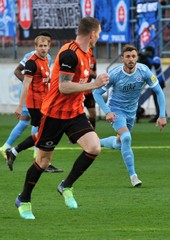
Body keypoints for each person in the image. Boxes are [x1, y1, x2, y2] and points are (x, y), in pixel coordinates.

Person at [14, 17, 109, 220]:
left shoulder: (88, 53)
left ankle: (65, 185)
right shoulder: (69, 54)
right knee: (43, 161)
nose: (99, 37)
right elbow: (63, 87)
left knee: (94, 147)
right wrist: (95, 85)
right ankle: (24, 198)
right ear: (92, 34)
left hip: (74, 113)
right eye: (98, 34)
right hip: (54, 114)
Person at [93, 44, 167, 187]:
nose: (131, 59)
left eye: (133, 56)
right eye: (127, 57)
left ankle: (97, 143)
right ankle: (133, 176)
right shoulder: (114, 74)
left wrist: (162, 115)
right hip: (116, 110)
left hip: (131, 112)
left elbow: (159, 91)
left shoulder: (143, 70)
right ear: (122, 59)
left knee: (120, 143)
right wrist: (107, 111)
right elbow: (96, 93)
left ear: (137, 57)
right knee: (127, 137)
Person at [1, 31, 63, 173]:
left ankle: (15, 152)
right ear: (35, 46)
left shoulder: (47, 59)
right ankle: (40, 161)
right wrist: (19, 105)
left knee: (43, 132)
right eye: (40, 45)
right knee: (44, 131)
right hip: (35, 104)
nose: (43, 48)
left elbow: (46, 81)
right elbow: (26, 85)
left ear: (49, 46)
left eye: (45, 45)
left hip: (44, 101)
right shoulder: (31, 62)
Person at [136, 46, 166, 123]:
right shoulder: (149, 59)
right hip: (154, 82)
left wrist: (146, 58)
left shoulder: (156, 58)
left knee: (158, 98)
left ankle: (160, 115)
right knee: (156, 99)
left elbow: (156, 64)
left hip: (160, 81)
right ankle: (159, 114)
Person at [84, 49, 97, 129]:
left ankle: (92, 132)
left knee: (93, 114)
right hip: (77, 91)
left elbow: (95, 75)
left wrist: (89, 72)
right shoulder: (78, 57)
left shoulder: (93, 59)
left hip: (88, 91)